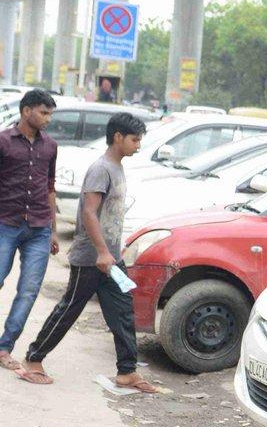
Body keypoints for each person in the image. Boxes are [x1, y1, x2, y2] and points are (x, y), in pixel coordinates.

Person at [18, 112, 160, 393]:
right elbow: (89, 212)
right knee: (69, 309)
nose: (138, 145)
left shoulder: (116, 167)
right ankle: (33, 360)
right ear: (118, 137)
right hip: (92, 258)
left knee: (122, 311)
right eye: (134, 139)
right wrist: (101, 252)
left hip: (111, 258)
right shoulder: (101, 168)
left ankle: (127, 371)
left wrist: (112, 254)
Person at [0, 89, 59, 369]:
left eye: (50, 113)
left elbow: (49, 187)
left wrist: (54, 230)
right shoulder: (3, 142)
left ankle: (4, 347)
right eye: (43, 112)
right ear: (26, 111)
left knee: (28, 291)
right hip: (6, 224)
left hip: (39, 228)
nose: (48, 119)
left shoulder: (50, 146)